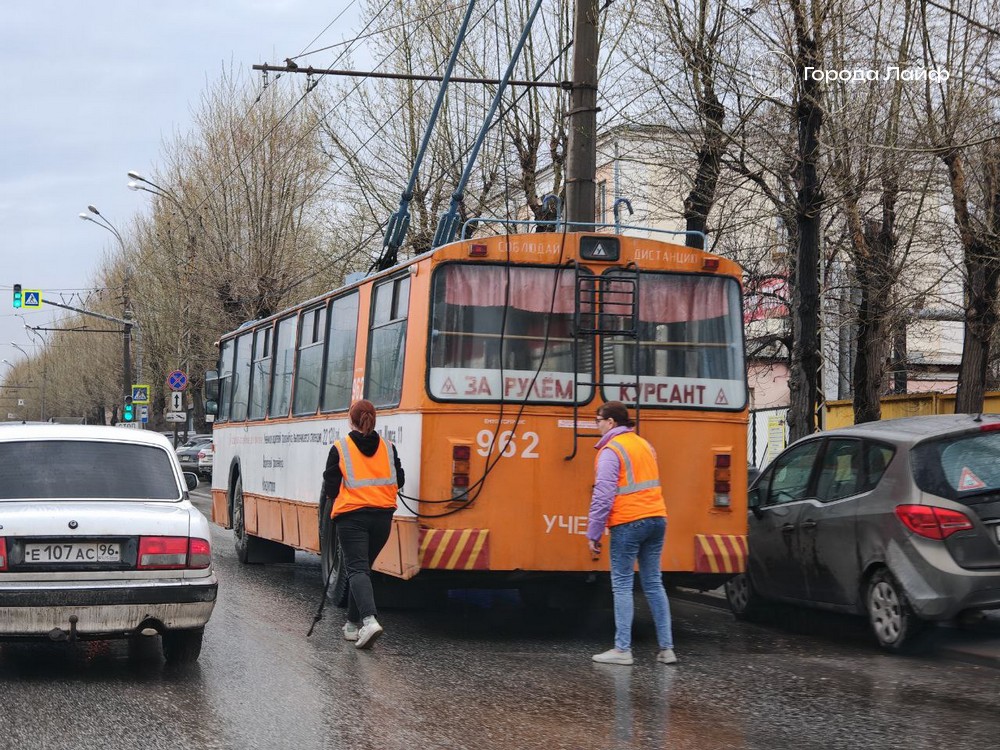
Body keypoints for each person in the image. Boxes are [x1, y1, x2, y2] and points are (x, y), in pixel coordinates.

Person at [586, 401, 676, 666]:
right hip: (657, 518)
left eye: (598, 420)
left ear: (611, 422)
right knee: (653, 583)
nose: (597, 424)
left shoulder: (611, 450)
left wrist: (593, 532)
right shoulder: (644, 445)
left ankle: (622, 649)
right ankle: (667, 648)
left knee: (622, 584)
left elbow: (603, 495)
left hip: (628, 521)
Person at [322, 399, 404, 650]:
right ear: (373, 419)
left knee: (356, 569)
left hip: (353, 518)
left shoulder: (341, 448)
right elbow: (399, 480)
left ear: (351, 420)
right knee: (362, 570)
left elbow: (331, 488)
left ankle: (369, 621)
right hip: (383, 518)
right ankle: (351, 625)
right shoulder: (388, 446)